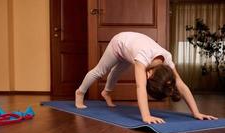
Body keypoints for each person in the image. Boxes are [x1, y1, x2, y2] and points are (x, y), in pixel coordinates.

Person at [76, 32, 217, 124]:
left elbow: (181, 84)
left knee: (117, 71)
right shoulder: (142, 58)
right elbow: (140, 87)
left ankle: (106, 92)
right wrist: (146, 116)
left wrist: (196, 113)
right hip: (119, 43)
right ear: (149, 75)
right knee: (101, 71)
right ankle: (80, 92)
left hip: (131, 47)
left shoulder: (166, 59)